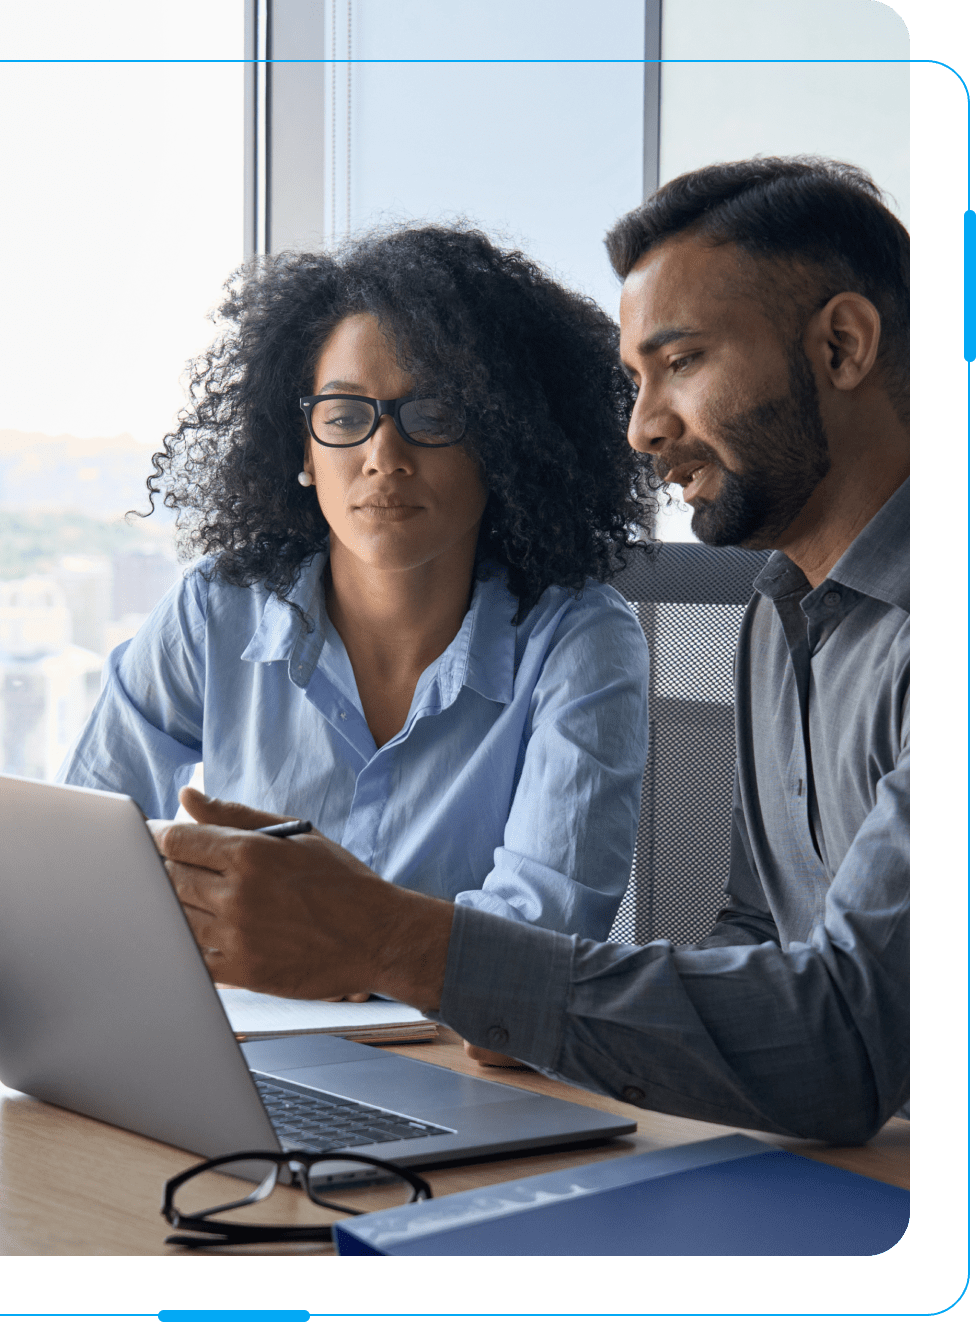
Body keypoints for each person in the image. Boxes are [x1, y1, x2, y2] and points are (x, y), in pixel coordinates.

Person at [151, 157, 910, 1145]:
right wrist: (553, 1008)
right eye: (637, 381)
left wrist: (404, 943)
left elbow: (848, 1042)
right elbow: (758, 934)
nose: (641, 427)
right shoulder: (779, 613)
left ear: (843, 345)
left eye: (681, 364)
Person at [61, 225, 654, 951]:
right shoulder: (217, 609)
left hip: (458, 1056)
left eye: (432, 414)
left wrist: (323, 946)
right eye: (344, 417)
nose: (383, 456)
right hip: (241, 1040)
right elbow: (81, 842)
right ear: (302, 450)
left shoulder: (581, 640)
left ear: (502, 442)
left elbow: (540, 941)